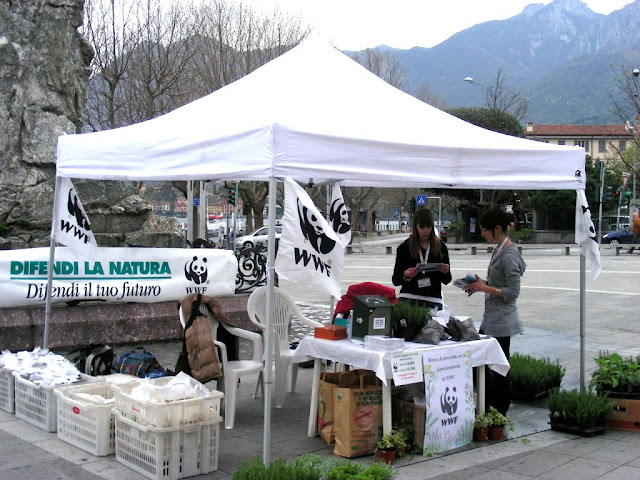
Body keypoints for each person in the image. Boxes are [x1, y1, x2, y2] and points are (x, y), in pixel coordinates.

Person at [462, 208, 526, 415]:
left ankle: (499, 409)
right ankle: (491, 406)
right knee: (487, 363)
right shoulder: (499, 249)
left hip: (502, 320)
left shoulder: (509, 255)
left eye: (484, 230)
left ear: (497, 229)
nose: (482, 234)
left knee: (499, 367)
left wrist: (484, 287)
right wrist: (480, 285)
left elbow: (513, 292)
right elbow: (497, 285)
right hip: (492, 318)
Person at [392, 209, 451, 310]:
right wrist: (406, 275)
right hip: (409, 297)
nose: (425, 231)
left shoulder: (441, 247)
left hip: (433, 299)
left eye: (428, 227)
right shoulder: (404, 248)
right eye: (422, 227)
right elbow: (395, 280)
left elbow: (447, 280)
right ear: (415, 227)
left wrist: (445, 272)